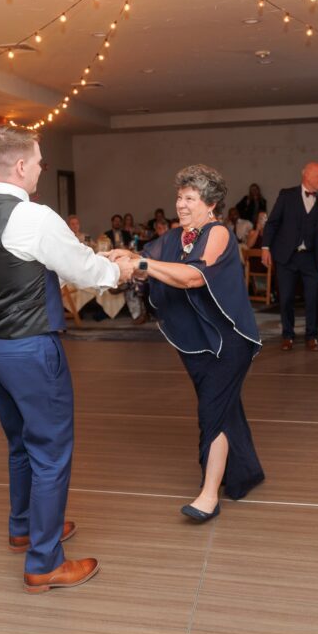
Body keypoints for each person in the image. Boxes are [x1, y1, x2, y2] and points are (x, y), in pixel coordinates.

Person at [0, 125, 135, 593]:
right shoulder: (33, 217)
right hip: (31, 348)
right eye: (38, 161)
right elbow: (82, 268)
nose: (40, 167)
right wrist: (117, 269)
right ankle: (44, 561)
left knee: (21, 444)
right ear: (20, 166)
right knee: (51, 454)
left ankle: (25, 528)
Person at [109, 164, 265, 522]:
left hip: (227, 340)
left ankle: (209, 496)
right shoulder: (173, 238)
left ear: (210, 204)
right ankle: (245, 472)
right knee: (226, 409)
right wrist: (114, 261)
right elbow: (140, 260)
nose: (180, 204)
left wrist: (142, 263)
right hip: (195, 342)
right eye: (179, 197)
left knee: (212, 411)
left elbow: (194, 277)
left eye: (189, 198)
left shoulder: (218, 233)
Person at [261, 161, 318, 352]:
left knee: (313, 299)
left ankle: (312, 336)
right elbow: (272, 223)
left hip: (312, 257)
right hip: (286, 257)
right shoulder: (286, 196)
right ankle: (287, 335)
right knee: (286, 298)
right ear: (307, 175)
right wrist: (265, 247)